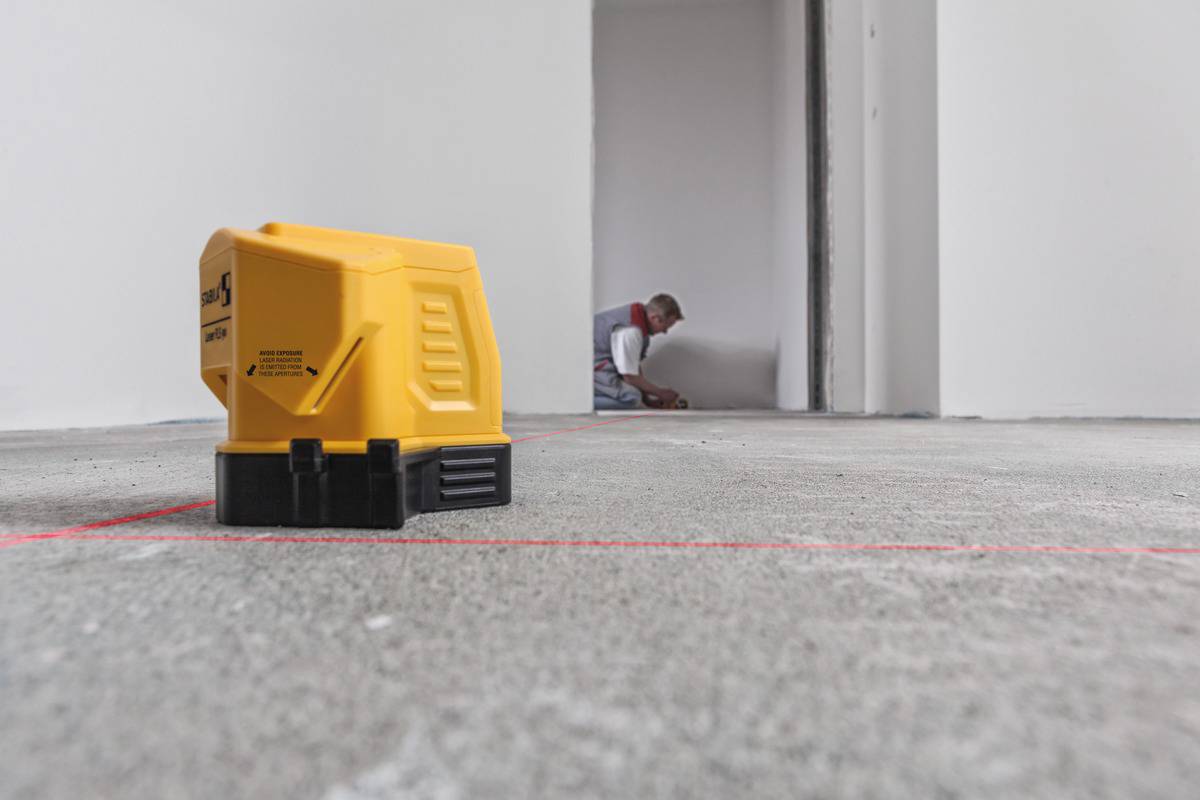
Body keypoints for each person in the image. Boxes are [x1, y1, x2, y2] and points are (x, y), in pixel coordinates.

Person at [593, 293, 684, 410]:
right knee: (632, 398)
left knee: (636, 396)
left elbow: (633, 368)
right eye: (665, 326)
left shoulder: (638, 322)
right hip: (588, 371)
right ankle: (577, 404)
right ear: (654, 318)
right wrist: (660, 393)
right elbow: (629, 377)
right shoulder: (630, 331)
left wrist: (648, 401)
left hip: (598, 367)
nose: (665, 332)